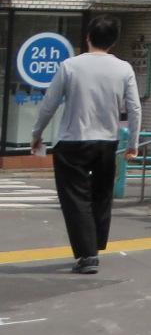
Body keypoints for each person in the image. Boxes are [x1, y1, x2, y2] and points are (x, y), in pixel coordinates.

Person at [30, 15, 142, 274]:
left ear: (88, 36)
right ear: (113, 42)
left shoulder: (70, 66)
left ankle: (87, 255)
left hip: (72, 142)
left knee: (75, 198)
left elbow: (50, 103)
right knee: (102, 194)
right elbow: (134, 108)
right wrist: (133, 143)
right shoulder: (124, 68)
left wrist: (37, 133)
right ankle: (96, 241)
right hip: (107, 141)